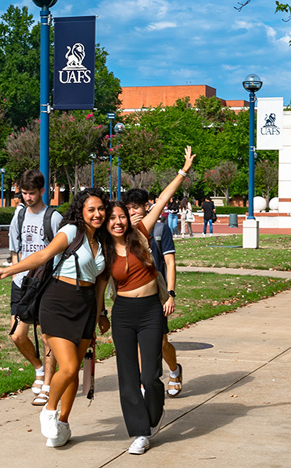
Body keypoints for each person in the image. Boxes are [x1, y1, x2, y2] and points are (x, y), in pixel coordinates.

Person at [0, 188, 109, 448]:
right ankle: (49, 410)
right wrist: (7, 270)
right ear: (81, 211)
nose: (97, 214)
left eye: (101, 209)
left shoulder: (103, 242)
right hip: (58, 302)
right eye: (91, 209)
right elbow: (42, 255)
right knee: (66, 367)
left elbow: (100, 284)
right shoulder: (71, 232)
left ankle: (63, 425)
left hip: (86, 307)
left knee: (74, 370)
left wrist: (100, 314)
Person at [104, 147, 195, 455]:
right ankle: (140, 432)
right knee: (128, 376)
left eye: (122, 217)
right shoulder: (103, 250)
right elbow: (97, 285)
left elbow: (164, 199)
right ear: (106, 223)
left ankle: (154, 413)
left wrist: (183, 171)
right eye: (113, 218)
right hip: (123, 313)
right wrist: (98, 314)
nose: (118, 222)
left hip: (150, 310)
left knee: (149, 376)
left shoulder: (142, 233)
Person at [7, 170, 62, 406]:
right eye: (24, 193)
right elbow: (14, 250)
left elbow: (61, 253)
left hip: (47, 284)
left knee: (48, 338)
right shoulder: (18, 217)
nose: (27, 197)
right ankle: (38, 368)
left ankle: (48, 385)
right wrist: (14, 274)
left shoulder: (53, 217)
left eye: (31, 193)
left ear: (42, 191)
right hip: (22, 284)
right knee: (17, 335)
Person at [124, 188, 183, 399]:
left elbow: (170, 263)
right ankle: (143, 383)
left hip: (157, 294)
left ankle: (174, 370)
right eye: (128, 208)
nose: (132, 212)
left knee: (161, 342)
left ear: (146, 207)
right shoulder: (123, 233)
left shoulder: (160, 230)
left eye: (136, 207)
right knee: (140, 341)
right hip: (134, 296)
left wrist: (171, 293)